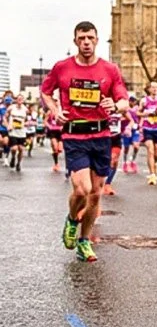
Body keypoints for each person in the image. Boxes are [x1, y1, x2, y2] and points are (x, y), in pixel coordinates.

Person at [40, 21, 129, 262]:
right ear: (75, 41)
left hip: (101, 135)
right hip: (74, 134)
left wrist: (116, 106)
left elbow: (124, 100)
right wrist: (54, 108)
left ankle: (84, 241)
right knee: (82, 189)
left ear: (97, 40)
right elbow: (46, 91)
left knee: (96, 195)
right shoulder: (62, 68)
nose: (86, 42)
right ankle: (71, 220)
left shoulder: (110, 70)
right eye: (82, 38)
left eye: (90, 37)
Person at [139, 81, 157, 185]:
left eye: (156, 87)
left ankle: (154, 164)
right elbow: (138, 112)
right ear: (149, 89)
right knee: (150, 150)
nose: (154, 89)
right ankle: (152, 175)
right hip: (147, 128)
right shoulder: (144, 101)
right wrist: (145, 113)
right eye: (152, 87)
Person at [6, 94, 28, 172]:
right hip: (13, 131)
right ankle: (13, 158)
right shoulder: (11, 108)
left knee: (21, 149)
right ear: (16, 100)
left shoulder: (25, 109)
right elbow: (5, 117)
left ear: (23, 100)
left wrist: (26, 123)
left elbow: (27, 120)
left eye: (21, 99)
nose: (20, 100)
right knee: (14, 148)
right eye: (18, 99)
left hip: (22, 132)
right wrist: (8, 125)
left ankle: (18, 163)